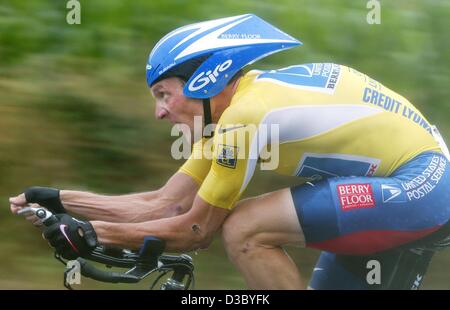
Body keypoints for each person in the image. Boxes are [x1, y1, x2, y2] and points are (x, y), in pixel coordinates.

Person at [9, 14, 450, 289]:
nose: (159, 114)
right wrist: (62, 201)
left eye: (164, 94)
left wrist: (94, 234)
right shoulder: (238, 110)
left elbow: (197, 229)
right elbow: (167, 202)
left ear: (203, 80)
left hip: (421, 182)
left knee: (244, 227)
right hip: (408, 187)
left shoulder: (246, 116)